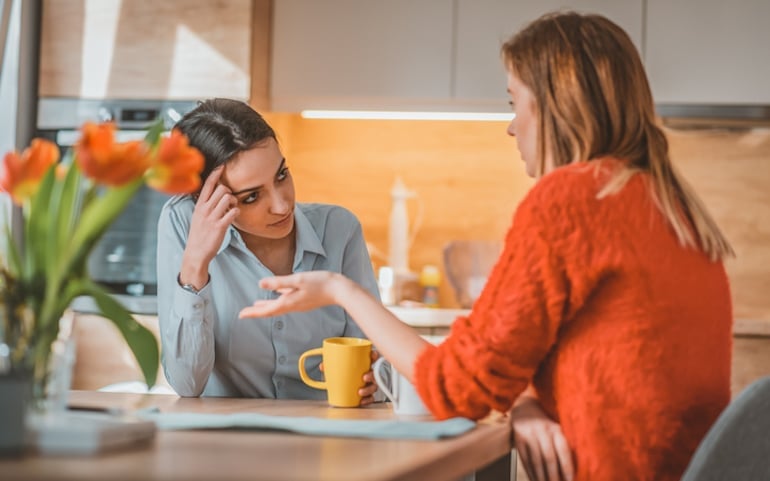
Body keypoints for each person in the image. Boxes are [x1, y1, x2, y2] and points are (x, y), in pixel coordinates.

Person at [238, 11, 734, 481]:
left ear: (552, 107)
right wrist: (526, 401)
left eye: (513, 102)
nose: (511, 125)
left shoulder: (572, 202)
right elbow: (588, 362)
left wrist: (341, 290)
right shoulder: (670, 206)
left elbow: (456, 388)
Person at [156, 98, 381, 403]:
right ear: (205, 200)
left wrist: (375, 379)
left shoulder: (339, 230)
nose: (281, 205)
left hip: (326, 435)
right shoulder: (182, 222)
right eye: (251, 197)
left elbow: (377, 360)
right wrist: (196, 262)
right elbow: (187, 384)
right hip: (226, 441)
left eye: (281, 175)